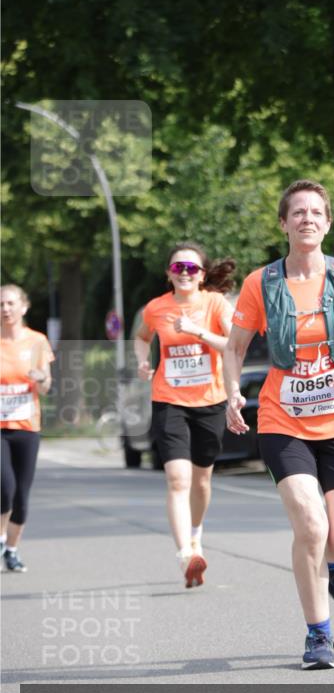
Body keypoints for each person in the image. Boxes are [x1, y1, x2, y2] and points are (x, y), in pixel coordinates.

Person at [224, 180, 334, 669]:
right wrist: (232, 392)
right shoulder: (260, 283)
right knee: (311, 525)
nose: (307, 219)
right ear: (284, 223)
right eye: (298, 213)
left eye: (316, 212)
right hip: (282, 418)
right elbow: (234, 347)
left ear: (327, 223)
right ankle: (319, 635)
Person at [134, 242, 235, 588]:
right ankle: (185, 556)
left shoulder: (214, 303)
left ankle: (195, 533)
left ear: (202, 274)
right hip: (169, 400)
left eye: (192, 268)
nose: (185, 273)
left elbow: (233, 344)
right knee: (178, 480)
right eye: (178, 268)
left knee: (202, 480)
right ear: (169, 274)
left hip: (210, 401)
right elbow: (141, 336)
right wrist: (142, 359)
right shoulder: (156, 308)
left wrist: (198, 332)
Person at [1, 284, 54, 573]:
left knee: (21, 495)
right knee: (5, 488)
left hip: (27, 426)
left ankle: (12, 549)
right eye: (1, 304)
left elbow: (46, 387)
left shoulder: (37, 341)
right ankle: (0, 540)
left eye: (10, 303)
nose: (5, 309)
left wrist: (39, 378)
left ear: (24, 306)